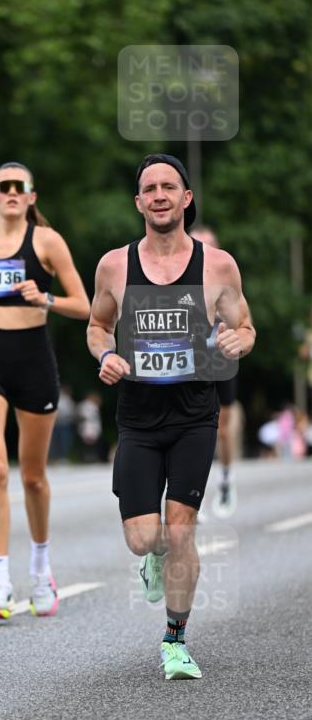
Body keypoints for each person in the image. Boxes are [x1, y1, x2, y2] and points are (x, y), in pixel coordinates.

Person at [88, 153, 255, 680]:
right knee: (144, 537)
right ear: (138, 202)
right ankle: (153, 556)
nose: (159, 195)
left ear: (186, 198)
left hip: (193, 414)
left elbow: (246, 328)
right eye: (149, 188)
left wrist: (235, 340)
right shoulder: (115, 264)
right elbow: (97, 325)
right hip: (137, 417)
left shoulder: (218, 265)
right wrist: (105, 355)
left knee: (181, 532)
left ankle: (175, 639)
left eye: (169, 187)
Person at [0, 161, 90, 620]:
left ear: (30, 197)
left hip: (33, 362)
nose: (10, 193)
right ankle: (0, 583)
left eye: (18, 187)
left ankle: (41, 567)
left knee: (32, 477)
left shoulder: (46, 242)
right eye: (2, 187)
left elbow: (84, 306)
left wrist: (44, 298)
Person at [192, 226, 239, 516]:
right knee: (192, 428)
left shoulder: (225, 276)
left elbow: (243, 322)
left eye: (208, 245)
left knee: (222, 429)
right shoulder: (175, 278)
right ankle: (193, 497)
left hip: (221, 358)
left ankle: (225, 478)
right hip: (193, 359)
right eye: (198, 245)